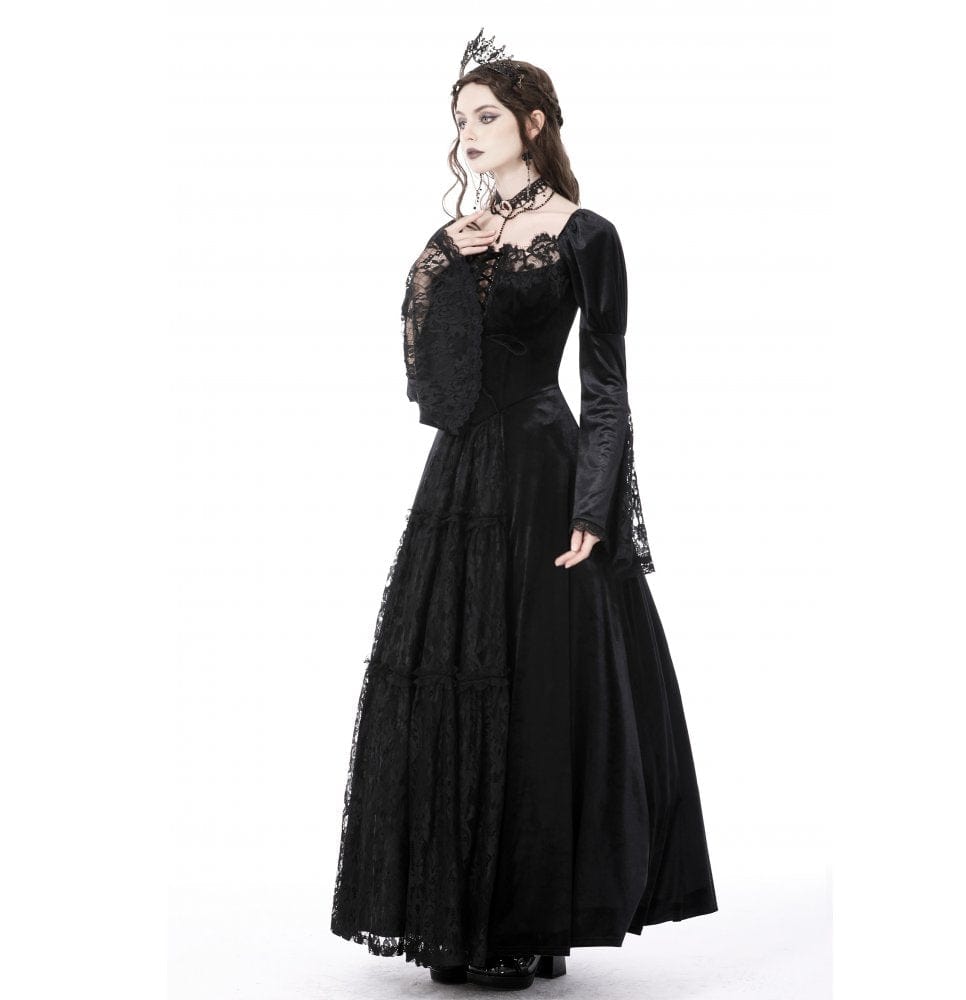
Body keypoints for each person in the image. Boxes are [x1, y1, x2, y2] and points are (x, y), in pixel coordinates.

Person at [329, 28, 718, 991]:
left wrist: (596, 502)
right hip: (461, 476)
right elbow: (432, 380)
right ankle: (461, 917)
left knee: (538, 689)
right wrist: (437, 259)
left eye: (487, 116)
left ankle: (530, 921)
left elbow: (607, 385)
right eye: (459, 118)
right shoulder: (461, 235)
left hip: (545, 474)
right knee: (451, 679)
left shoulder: (587, 234)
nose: (468, 132)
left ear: (533, 124)